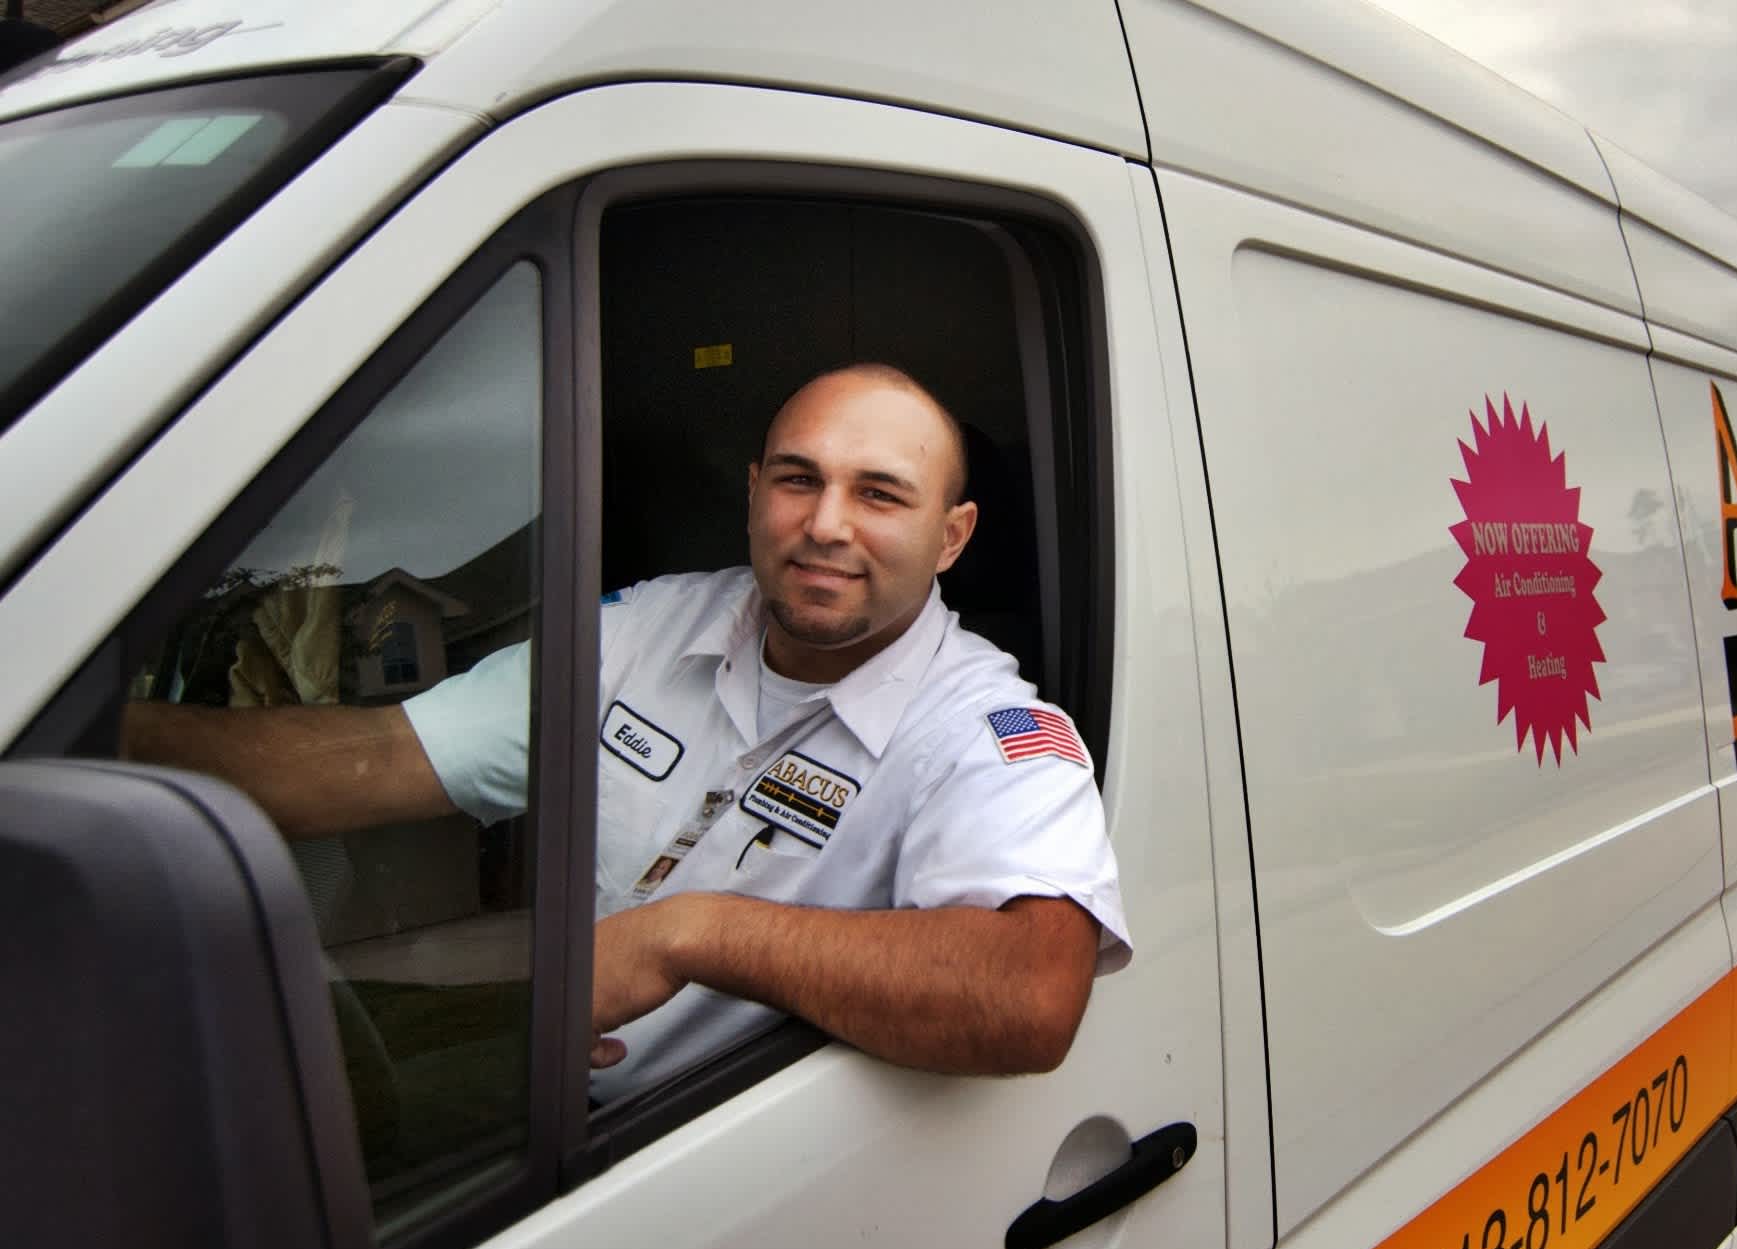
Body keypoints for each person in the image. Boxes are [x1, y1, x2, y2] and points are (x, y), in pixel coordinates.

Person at [125, 363, 1128, 1099]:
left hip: (714, 1167)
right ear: (752, 494)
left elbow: (1031, 993)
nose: (826, 523)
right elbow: (373, 760)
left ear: (950, 535)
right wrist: (94, 733)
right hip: (551, 1105)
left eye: (879, 494)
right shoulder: (652, 626)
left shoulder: (987, 728)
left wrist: (692, 933)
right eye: (796, 479)